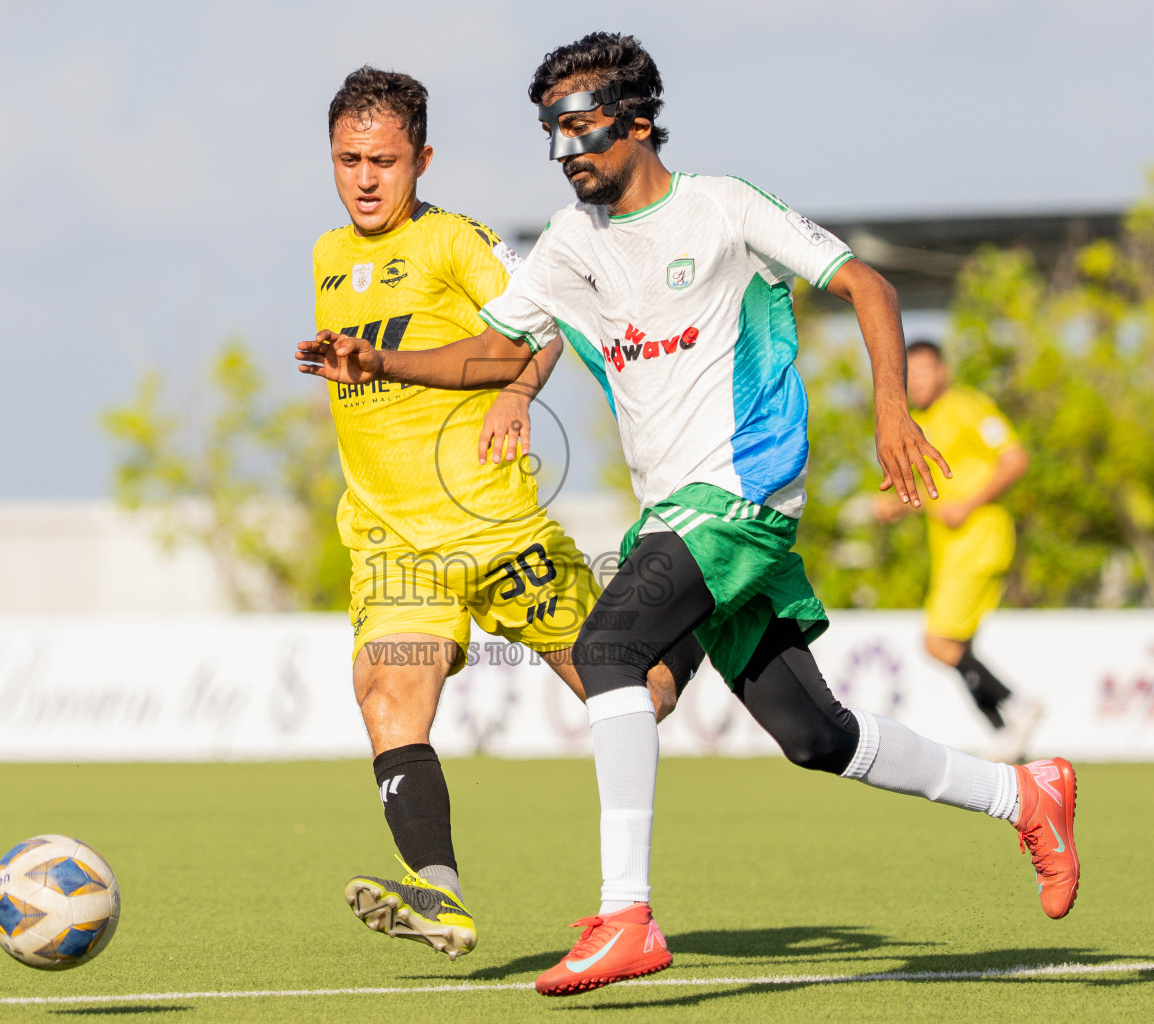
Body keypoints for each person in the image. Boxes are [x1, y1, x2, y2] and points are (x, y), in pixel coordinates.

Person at [299, 34, 1082, 997]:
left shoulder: (722, 207)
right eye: (552, 131)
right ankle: (1025, 793)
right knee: (812, 734)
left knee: (608, 653)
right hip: (677, 513)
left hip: (742, 500)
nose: (566, 149)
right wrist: (382, 364)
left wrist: (892, 410)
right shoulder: (570, 245)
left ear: (637, 121)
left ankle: (625, 915)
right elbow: (496, 354)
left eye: (581, 127)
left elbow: (866, 284)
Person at [309, 66, 703, 963]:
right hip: (392, 541)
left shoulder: (459, 242)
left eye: (385, 160)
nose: (366, 178)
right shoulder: (330, 256)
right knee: (385, 693)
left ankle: (707, 609)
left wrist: (516, 392)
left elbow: (551, 316)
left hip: (497, 533)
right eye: (348, 160)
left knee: (639, 694)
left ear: (422, 158)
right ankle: (439, 895)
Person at [875, 339, 1039, 760]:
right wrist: (899, 505)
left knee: (939, 642)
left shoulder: (969, 407)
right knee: (956, 648)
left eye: (927, 370)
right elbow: (939, 495)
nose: (921, 381)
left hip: (980, 540)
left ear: (944, 371)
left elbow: (1014, 458)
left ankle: (1017, 707)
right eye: (913, 375)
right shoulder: (919, 424)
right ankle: (1007, 735)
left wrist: (969, 505)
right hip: (951, 550)